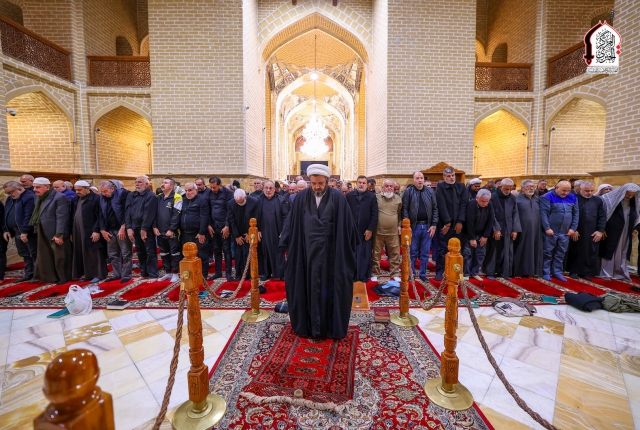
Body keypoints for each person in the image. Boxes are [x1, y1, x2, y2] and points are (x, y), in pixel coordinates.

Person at [279, 164, 358, 339]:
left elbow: (347, 229)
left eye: (320, 183)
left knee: (331, 290)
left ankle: (330, 328)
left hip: (331, 256)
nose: (317, 187)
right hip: (305, 255)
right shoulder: (300, 198)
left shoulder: (338, 198)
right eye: (313, 183)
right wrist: (284, 240)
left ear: (327, 181)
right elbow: (292, 224)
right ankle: (308, 327)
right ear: (309, 181)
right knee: (306, 287)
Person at [30, 177, 72, 285]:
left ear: (48, 187)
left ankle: (63, 277)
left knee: (59, 256)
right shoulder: (37, 197)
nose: (35, 189)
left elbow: (62, 217)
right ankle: (50, 277)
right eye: (34, 187)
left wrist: (59, 234)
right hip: (42, 229)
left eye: (38, 187)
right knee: (44, 254)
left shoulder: (60, 197)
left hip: (56, 231)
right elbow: (38, 213)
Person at [599, 183, 640, 281]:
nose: (630, 197)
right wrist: (602, 228)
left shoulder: (634, 201)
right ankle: (606, 273)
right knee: (610, 250)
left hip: (626, 230)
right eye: (628, 194)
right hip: (611, 230)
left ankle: (620, 273)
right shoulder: (608, 199)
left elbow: (637, 215)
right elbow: (603, 215)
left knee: (623, 251)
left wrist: (635, 229)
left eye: (632, 195)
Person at [402, 171, 438, 281]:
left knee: (425, 253)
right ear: (413, 180)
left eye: (421, 178)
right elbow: (405, 209)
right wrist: (407, 226)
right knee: (412, 252)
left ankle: (423, 274)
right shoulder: (408, 191)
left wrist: (434, 225)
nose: (420, 180)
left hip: (427, 227)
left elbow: (435, 208)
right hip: (414, 227)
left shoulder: (430, 191)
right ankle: (411, 273)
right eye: (417, 178)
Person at [539, 180, 578, 282]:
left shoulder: (572, 197)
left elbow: (576, 214)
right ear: (556, 188)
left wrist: (573, 228)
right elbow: (543, 214)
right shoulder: (547, 197)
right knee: (547, 252)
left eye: (568, 191)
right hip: (551, 231)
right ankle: (545, 272)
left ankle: (557, 272)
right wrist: (547, 228)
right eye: (563, 190)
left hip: (565, 232)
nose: (566, 193)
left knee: (561, 253)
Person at [566, 181, 606, 280]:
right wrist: (573, 229)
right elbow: (569, 215)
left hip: (592, 231)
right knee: (576, 250)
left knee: (590, 252)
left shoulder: (597, 200)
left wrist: (600, 230)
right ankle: (573, 271)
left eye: (592, 190)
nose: (589, 193)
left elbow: (602, 216)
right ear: (580, 189)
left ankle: (585, 272)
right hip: (577, 230)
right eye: (587, 191)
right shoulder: (574, 199)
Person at [70, 180, 108, 283]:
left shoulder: (96, 198)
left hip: (91, 230)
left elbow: (100, 216)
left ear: (87, 189)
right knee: (82, 252)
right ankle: (87, 274)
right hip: (78, 231)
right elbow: (72, 216)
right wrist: (71, 232)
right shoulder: (75, 199)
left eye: (80, 190)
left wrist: (96, 230)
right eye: (76, 190)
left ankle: (99, 274)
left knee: (94, 253)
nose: (77, 192)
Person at [484, 178, 521, 280]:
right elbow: (491, 215)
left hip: (508, 228)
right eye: (506, 189)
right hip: (495, 228)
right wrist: (496, 228)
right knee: (493, 251)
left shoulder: (512, 198)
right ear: (500, 187)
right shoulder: (493, 197)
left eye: (510, 189)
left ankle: (505, 272)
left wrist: (515, 229)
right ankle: (490, 272)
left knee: (506, 251)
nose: (508, 191)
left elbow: (515, 214)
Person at [434, 167, 467, 280]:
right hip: (444, 225)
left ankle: (457, 272)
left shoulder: (461, 186)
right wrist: (448, 223)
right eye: (448, 176)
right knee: (443, 249)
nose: (451, 178)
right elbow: (441, 205)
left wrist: (460, 221)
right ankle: (440, 271)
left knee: (458, 249)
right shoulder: (440, 187)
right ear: (444, 177)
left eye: (453, 175)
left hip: (458, 224)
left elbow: (464, 205)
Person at [125, 176, 159, 280]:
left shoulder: (151, 196)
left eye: (140, 182)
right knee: (140, 251)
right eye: (136, 182)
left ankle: (153, 274)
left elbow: (149, 214)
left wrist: (144, 229)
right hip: (135, 227)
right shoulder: (132, 195)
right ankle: (144, 273)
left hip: (146, 228)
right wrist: (129, 227)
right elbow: (128, 212)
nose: (137, 184)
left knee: (150, 251)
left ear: (147, 184)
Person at [346, 175, 378, 282]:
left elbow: (374, 214)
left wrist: (370, 229)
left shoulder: (372, 197)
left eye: (363, 183)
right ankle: (353, 274)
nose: (361, 184)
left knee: (365, 254)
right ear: (356, 183)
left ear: (366, 184)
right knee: (352, 253)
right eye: (359, 182)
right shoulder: (349, 196)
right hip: (352, 231)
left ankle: (363, 275)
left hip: (365, 231)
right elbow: (345, 213)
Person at [98, 180, 132, 283]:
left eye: (105, 191)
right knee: (112, 254)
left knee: (126, 253)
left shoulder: (123, 194)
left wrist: (123, 226)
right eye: (102, 191)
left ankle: (127, 274)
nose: (103, 193)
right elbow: (100, 214)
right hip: (109, 229)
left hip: (121, 228)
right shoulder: (101, 197)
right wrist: (102, 229)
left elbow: (127, 212)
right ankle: (117, 274)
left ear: (112, 189)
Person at [3, 181, 36, 282]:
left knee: (33, 254)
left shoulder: (29, 197)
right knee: (24, 254)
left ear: (19, 189)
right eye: (7, 193)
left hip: (28, 232)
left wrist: (25, 231)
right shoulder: (11, 198)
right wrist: (6, 229)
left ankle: (37, 274)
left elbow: (29, 216)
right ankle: (29, 274)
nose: (9, 195)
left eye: (10, 192)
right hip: (17, 231)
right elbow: (7, 213)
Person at [257, 180, 289, 281]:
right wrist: (257, 229)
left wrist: (283, 231)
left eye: (270, 188)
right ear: (263, 188)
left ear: (274, 189)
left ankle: (279, 273)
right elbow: (255, 216)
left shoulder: (281, 200)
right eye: (266, 188)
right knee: (265, 252)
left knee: (278, 252)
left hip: (277, 231)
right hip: (264, 231)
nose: (268, 190)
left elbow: (285, 216)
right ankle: (266, 273)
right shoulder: (258, 200)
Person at [372, 179, 402, 282]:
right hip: (378, 231)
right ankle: (375, 273)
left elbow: (400, 214)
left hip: (393, 232)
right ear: (382, 187)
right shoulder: (376, 198)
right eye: (387, 186)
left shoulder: (398, 199)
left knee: (395, 254)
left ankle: (395, 273)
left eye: (391, 186)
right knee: (376, 253)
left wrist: (399, 225)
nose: (389, 188)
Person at [513, 180, 543, 278]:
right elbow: (515, 216)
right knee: (522, 250)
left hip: (536, 230)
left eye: (532, 186)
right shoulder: (517, 200)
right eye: (528, 186)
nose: (531, 188)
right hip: (522, 230)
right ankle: (519, 272)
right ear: (522, 189)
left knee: (534, 250)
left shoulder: (537, 200)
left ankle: (532, 271)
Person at [154, 178, 182, 283]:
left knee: (174, 253)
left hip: (172, 232)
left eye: (165, 183)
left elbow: (176, 215)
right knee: (164, 253)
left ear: (171, 186)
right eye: (162, 182)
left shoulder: (177, 197)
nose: (162, 184)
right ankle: (168, 272)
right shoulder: (159, 197)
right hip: (160, 231)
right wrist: (154, 227)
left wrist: (171, 229)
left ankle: (175, 273)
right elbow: (154, 213)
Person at [227, 189, 259, 280]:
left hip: (250, 232)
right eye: (237, 202)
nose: (239, 203)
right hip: (238, 232)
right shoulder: (231, 203)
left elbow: (256, 218)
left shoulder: (254, 202)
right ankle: (239, 275)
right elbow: (232, 221)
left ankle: (250, 275)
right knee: (238, 254)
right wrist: (237, 236)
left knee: (249, 253)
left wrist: (250, 233)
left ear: (245, 197)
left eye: (240, 202)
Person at [180, 183, 210, 279]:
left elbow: (204, 217)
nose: (187, 193)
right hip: (185, 233)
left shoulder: (202, 200)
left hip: (198, 233)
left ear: (196, 190)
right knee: (187, 255)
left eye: (190, 190)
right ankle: (190, 275)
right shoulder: (184, 200)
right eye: (186, 191)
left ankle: (203, 275)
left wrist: (202, 232)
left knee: (201, 255)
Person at [463, 189, 494, 280]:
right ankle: (466, 273)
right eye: (482, 201)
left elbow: (490, 221)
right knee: (468, 254)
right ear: (477, 198)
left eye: (487, 201)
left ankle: (475, 272)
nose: (485, 203)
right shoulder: (471, 204)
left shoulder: (490, 205)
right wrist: (472, 238)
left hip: (482, 234)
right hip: (469, 234)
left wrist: (485, 236)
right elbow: (469, 222)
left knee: (480, 254)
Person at [207, 176, 234, 281]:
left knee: (227, 250)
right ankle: (218, 272)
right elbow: (207, 210)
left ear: (220, 185)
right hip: (214, 226)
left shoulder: (228, 194)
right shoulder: (209, 193)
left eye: (214, 187)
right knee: (216, 249)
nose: (212, 189)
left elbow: (230, 211)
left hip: (224, 226)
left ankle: (228, 273)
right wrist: (209, 225)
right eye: (211, 187)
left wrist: (227, 226)